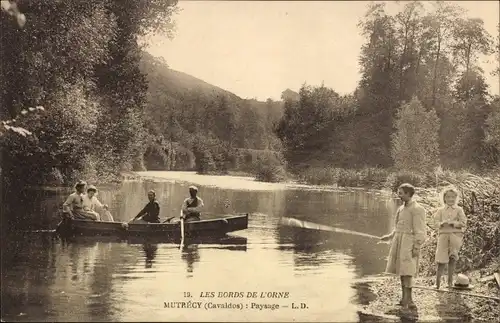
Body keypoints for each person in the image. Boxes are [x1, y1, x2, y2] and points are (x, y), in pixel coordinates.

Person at [379, 183, 426, 310]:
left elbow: (420, 230)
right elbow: (397, 227)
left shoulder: (417, 209)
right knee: (401, 270)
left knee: (408, 271)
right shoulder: (400, 209)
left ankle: (410, 300)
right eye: (398, 193)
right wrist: (389, 237)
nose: (398, 195)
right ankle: (403, 298)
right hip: (399, 242)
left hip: (409, 243)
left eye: (401, 193)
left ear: (408, 194)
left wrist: (416, 246)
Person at [433, 186, 467, 289]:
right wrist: (441, 224)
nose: (451, 199)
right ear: (444, 198)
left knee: (452, 258)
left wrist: (453, 223)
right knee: (440, 259)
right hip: (443, 236)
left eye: (453, 197)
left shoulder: (459, 210)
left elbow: (463, 222)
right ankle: (437, 283)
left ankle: (450, 283)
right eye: (448, 197)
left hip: (455, 236)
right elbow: (435, 222)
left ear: (456, 198)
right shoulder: (440, 210)